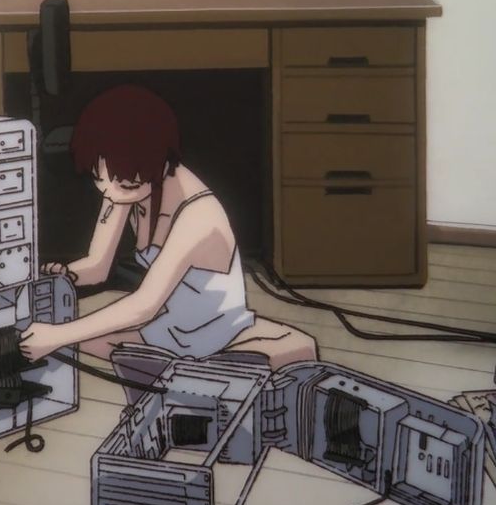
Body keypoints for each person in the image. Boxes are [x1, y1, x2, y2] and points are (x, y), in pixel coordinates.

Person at [18, 84, 316, 381]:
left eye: (122, 184)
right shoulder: (129, 187)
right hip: (166, 328)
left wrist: (58, 335)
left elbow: (144, 305)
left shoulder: (199, 216)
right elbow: (96, 266)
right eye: (99, 178)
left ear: (160, 163)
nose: (108, 193)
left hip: (213, 336)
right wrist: (66, 274)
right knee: (62, 343)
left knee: (68, 342)